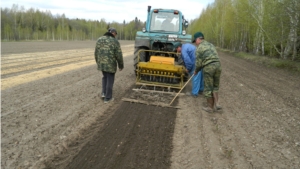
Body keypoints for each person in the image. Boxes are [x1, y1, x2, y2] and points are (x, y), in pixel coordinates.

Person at [193, 32, 222, 112]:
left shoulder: (199, 48)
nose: (195, 43)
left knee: (208, 87)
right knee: (215, 86)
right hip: (218, 66)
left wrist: (196, 71)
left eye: (195, 41)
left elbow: (198, 63)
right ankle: (217, 103)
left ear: (198, 39)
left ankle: (210, 108)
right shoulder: (211, 45)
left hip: (209, 67)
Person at [94, 28, 124, 103]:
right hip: (110, 64)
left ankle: (103, 93)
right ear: (113, 33)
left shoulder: (99, 39)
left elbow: (96, 53)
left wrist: (98, 62)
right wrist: (121, 65)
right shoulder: (115, 41)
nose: (115, 36)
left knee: (105, 77)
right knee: (110, 79)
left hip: (102, 64)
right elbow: (119, 55)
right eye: (116, 34)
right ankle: (108, 98)